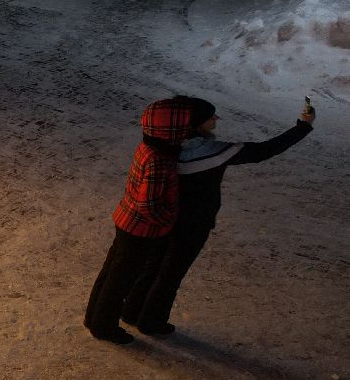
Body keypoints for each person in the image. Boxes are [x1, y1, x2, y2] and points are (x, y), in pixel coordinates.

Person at [124, 98, 316, 335]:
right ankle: (151, 322)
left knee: (154, 265)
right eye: (211, 116)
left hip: (164, 217)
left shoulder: (165, 145)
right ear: (195, 124)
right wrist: (303, 127)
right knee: (172, 273)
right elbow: (262, 151)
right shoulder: (212, 152)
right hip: (194, 222)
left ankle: (132, 311)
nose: (216, 119)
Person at [83, 96, 200, 344]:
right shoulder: (160, 160)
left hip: (127, 219)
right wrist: (168, 220)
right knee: (120, 280)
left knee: (111, 273)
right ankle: (104, 326)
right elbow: (150, 204)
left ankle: (94, 318)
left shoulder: (150, 146)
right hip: (140, 229)